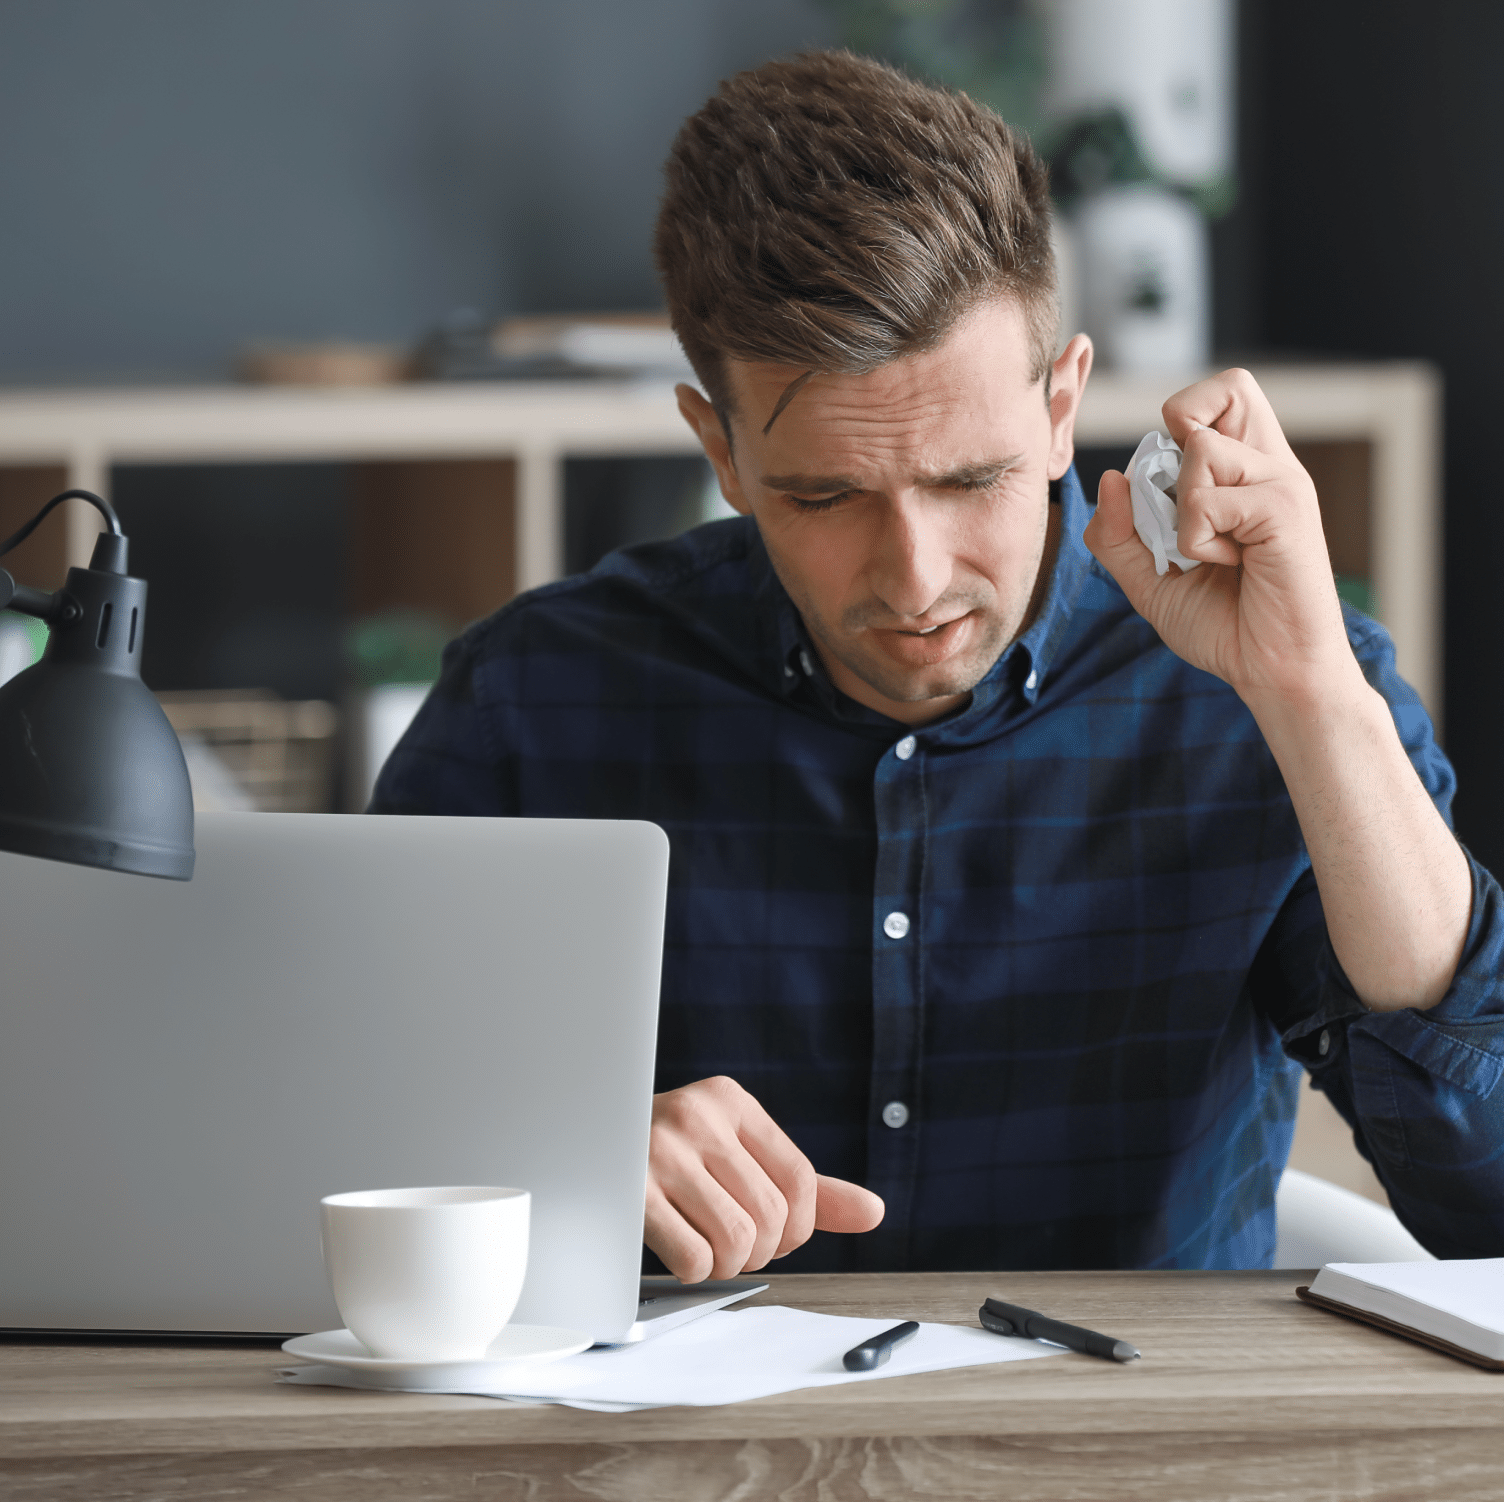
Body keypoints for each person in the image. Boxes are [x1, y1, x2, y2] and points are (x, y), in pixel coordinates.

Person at [373, 51, 1504, 1280]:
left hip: (1136, 1404)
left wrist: (1314, 697)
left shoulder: (1268, 693)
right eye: (825, 495)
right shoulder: (531, 702)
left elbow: (1487, 1201)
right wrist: (560, 1147)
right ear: (721, 449)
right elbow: (340, 1125)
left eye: (971, 480)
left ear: (1062, 407)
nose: (915, 579)